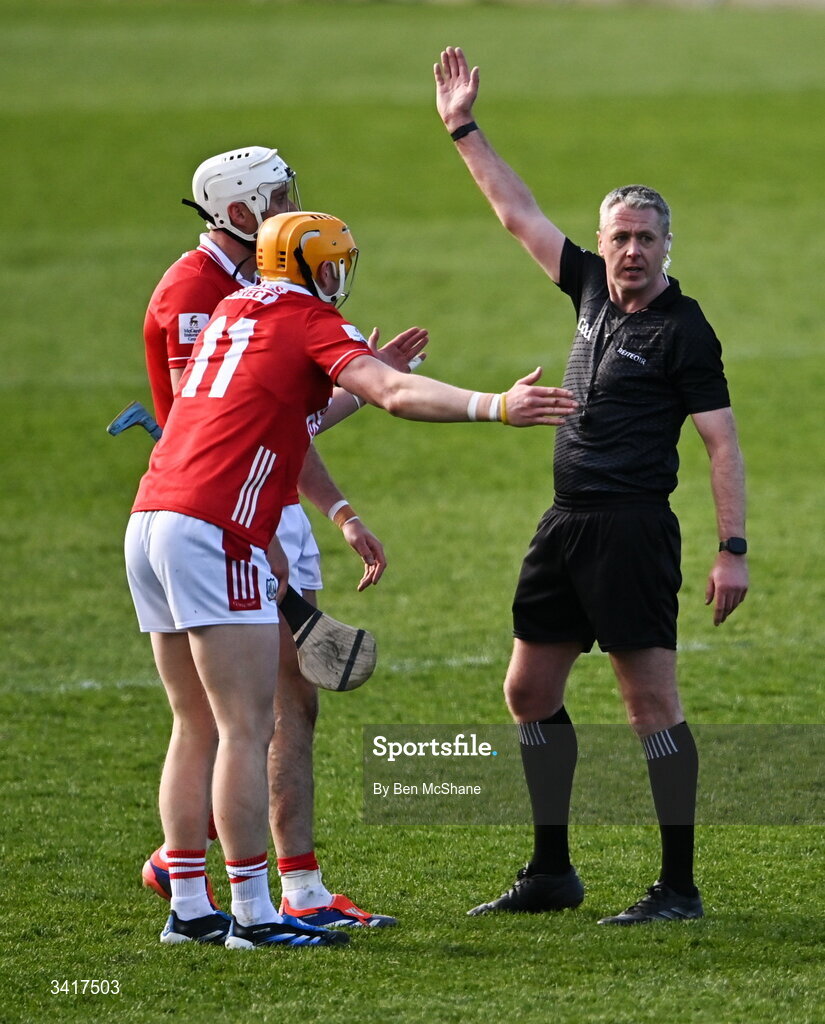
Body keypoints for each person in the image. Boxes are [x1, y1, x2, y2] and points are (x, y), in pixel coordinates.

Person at [124, 208, 577, 947]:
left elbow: (275, 421)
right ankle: (254, 915)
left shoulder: (235, 309)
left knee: (194, 723)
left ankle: (188, 906)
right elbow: (392, 397)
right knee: (246, 727)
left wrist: (332, 486)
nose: (339, 275)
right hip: (214, 528)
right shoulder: (306, 319)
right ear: (308, 265)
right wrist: (495, 406)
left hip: (151, 521)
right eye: (333, 263)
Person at [434, 47, 748, 925]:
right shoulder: (586, 291)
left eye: (647, 238)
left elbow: (721, 443)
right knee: (528, 693)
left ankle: (677, 888)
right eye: (620, 236)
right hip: (564, 526)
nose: (632, 251)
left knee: (649, 703)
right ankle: (551, 873)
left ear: (667, 247)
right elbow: (514, 212)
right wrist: (462, 127)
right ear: (602, 241)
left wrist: (732, 551)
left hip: (635, 530)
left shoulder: (687, 331)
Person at [140, 146, 428, 930]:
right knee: (238, 719)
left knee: (289, 704)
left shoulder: (257, 292)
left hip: (252, 506)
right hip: (223, 513)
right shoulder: (198, 293)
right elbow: (212, 428)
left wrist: (337, 511)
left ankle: (296, 886)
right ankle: (222, 890)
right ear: (234, 212)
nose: (284, 205)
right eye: (271, 196)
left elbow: (287, 421)